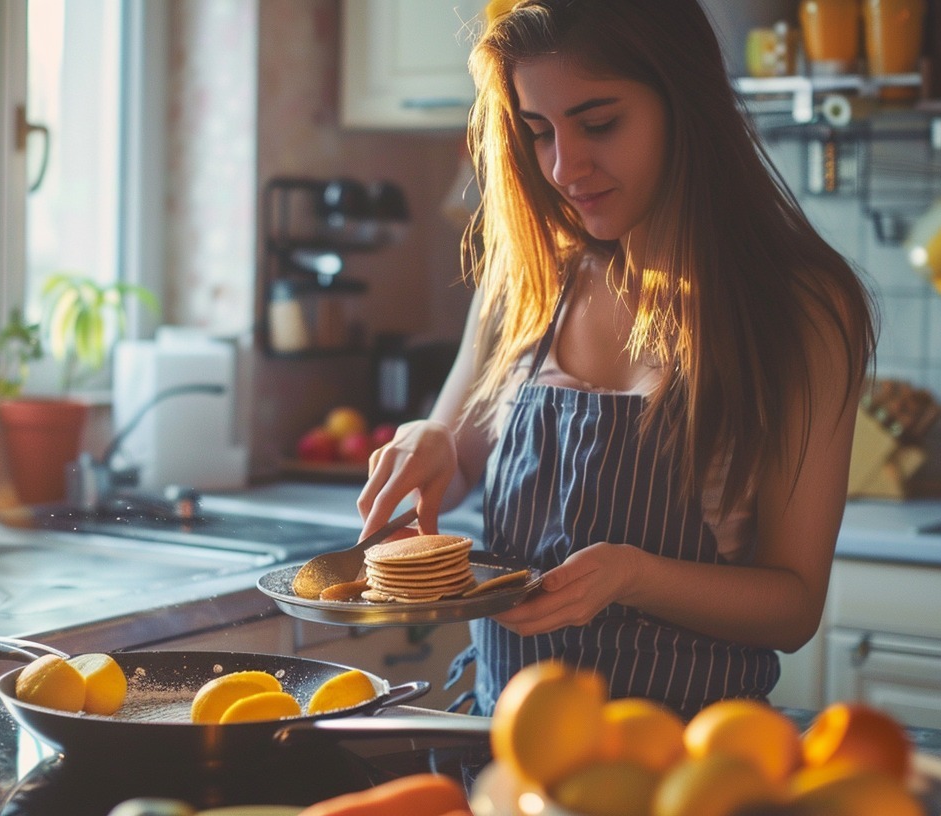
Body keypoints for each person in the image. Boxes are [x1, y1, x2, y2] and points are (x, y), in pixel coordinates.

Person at [355, 0, 876, 720]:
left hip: (689, 772)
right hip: (502, 762)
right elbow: (460, 448)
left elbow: (791, 607)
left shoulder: (799, 308)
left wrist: (634, 576)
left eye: (600, 124)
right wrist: (431, 442)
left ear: (684, 105)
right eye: (539, 132)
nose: (566, 167)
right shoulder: (529, 275)